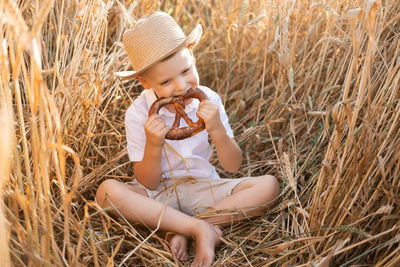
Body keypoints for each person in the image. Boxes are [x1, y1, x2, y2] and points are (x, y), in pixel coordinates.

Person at [96, 11, 280, 267]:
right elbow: (146, 180)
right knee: (106, 193)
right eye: (166, 81)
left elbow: (233, 165)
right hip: (157, 194)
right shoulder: (138, 114)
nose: (182, 86)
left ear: (192, 54)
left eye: (186, 70)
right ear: (144, 82)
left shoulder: (209, 100)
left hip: (203, 187)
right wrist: (153, 144)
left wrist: (216, 129)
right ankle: (195, 227)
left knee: (269, 186)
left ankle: (188, 226)